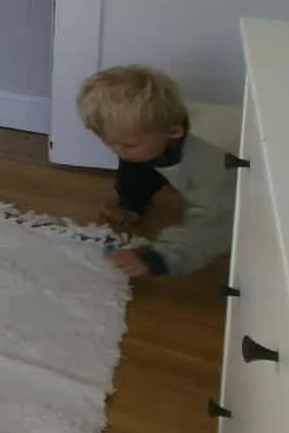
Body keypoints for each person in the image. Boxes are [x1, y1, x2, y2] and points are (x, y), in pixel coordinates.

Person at [77, 65, 236, 280]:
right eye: (110, 143)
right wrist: (130, 203)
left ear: (174, 132)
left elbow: (217, 221)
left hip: (250, 181)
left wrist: (158, 257)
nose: (117, 151)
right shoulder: (152, 129)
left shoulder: (210, 159)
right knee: (139, 159)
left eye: (127, 145)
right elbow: (137, 164)